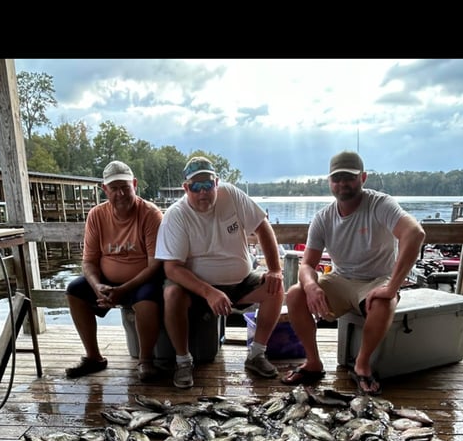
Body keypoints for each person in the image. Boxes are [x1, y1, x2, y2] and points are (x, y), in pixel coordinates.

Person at [282, 150, 426, 395]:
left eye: (349, 177)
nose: (342, 184)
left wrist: (392, 287)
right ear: (329, 181)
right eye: (336, 178)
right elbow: (307, 265)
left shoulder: (380, 204)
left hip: (376, 278)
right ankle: (313, 362)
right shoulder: (323, 217)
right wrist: (311, 286)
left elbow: (415, 233)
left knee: (383, 301)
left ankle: (362, 365)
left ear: (363, 178)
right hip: (340, 278)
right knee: (295, 294)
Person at [155, 156, 285, 388]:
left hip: (240, 282)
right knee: (171, 294)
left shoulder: (232, 195)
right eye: (196, 186)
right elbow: (172, 268)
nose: (203, 192)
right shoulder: (176, 215)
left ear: (217, 183)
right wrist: (209, 292)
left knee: (275, 288)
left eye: (208, 184)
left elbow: (262, 227)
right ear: (186, 188)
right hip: (196, 288)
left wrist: (275, 269)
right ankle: (183, 361)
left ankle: (257, 354)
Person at [65, 160, 163, 381]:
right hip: (107, 281)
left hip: (142, 280)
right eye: (114, 188)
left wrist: (124, 289)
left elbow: (155, 265)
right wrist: (97, 286)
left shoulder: (150, 214)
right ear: (104, 189)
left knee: (148, 299)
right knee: (74, 290)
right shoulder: (96, 215)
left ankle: (145, 361)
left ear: (134, 184)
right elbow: (88, 262)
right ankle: (94, 358)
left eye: (125, 187)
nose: (120, 194)